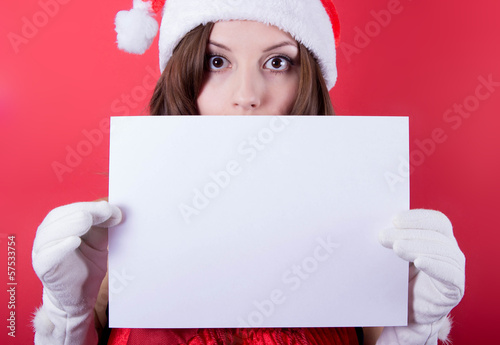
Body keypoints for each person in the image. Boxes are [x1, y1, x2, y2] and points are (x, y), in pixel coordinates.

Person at [31, 0, 466, 344]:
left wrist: (413, 329)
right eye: (216, 62)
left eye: (278, 63)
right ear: (182, 75)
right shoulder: (125, 239)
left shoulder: (360, 230)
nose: (247, 96)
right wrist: (69, 319)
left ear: (308, 80)